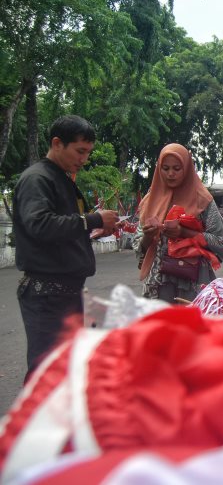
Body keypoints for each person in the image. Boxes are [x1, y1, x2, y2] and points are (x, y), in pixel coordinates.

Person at [13, 115, 119, 376]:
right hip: (46, 293)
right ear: (57, 143)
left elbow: (65, 228)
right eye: (80, 151)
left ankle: (60, 416)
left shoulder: (61, 179)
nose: (83, 159)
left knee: (69, 367)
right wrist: (92, 219)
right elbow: (40, 224)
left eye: (88, 152)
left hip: (66, 291)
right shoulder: (37, 179)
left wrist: (92, 227)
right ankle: (36, 417)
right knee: (46, 370)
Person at [133, 144, 223, 302]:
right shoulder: (150, 200)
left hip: (192, 281)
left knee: (191, 324)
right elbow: (139, 246)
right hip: (158, 282)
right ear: (158, 168)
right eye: (165, 168)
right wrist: (148, 235)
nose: (170, 174)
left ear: (187, 168)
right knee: (161, 325)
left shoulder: (202, 199)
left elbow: (219, 241)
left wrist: (184, 232)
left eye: (177, 168)